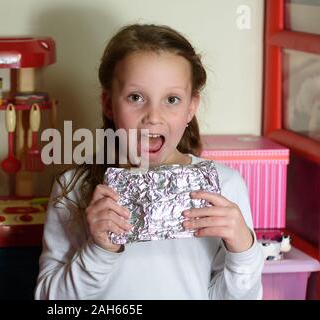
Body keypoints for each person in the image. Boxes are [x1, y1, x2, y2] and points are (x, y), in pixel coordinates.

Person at [35, 24, 264, 300]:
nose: (153, 117)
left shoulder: (225, 187)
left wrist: (243, 251)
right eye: (136, 97)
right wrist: (98, 249)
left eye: (172, 99)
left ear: (191, 107)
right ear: (108, 104)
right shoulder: (72, 189)